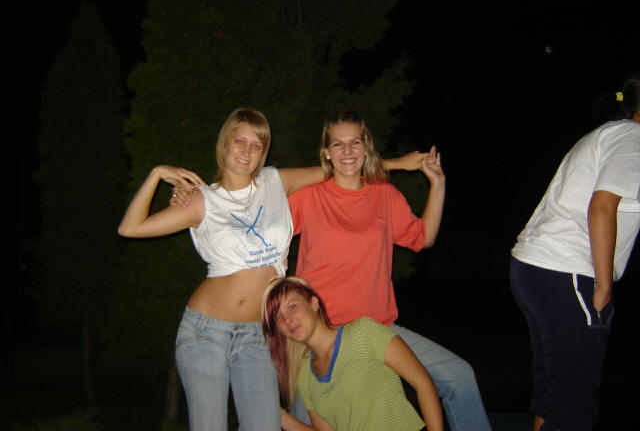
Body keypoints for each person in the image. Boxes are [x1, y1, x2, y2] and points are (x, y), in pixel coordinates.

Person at [117, 108, 326, 431]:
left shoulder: (275, 181)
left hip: (258, 335)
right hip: (206, 333)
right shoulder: (201, 200)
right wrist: (157, 174)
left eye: (256, 145)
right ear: (225, 144)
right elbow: (130, 228)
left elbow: (340, 167)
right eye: (239, 141)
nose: (246, 151)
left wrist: (396, 164)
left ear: (264, 152)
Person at [287, 110, 492, 431]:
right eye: (338, 145)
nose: (347, 151)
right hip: (322, 334)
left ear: (366, 146)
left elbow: (423, 237)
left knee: (459, 377)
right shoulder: (309, 197)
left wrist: (438, 184)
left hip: (376, 329)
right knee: (304, 418)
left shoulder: (384, 195)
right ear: (326, 152)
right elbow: (266, 203)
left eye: (355, 143)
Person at [510, 75, 640, 431]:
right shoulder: (633, 139)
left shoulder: (614, 135)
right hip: (566, 269)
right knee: (574, 403)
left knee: (554, 391)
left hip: (540, 268)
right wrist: (603, 287)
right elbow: (601, 208)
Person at [261, 276, 444, 431]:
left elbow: (423, 383)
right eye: (278, 317)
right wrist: (279, 415)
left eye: (292, 306)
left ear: (313, 303)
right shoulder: (305, 376)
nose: (287, 320)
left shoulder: (363, 332)